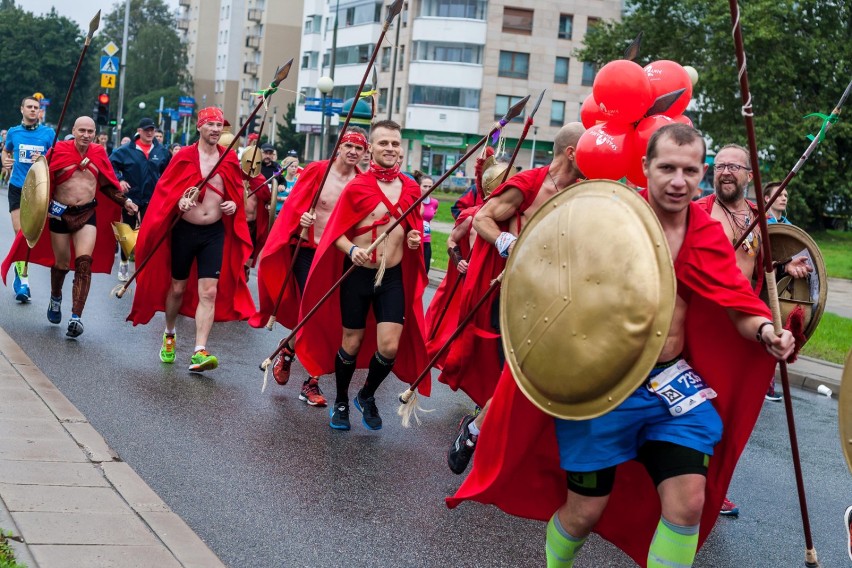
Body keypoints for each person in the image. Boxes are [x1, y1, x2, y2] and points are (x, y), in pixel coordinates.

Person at [448, 124, 796, 568]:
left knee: (688, 502)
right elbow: (550, 282)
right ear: (645, 167)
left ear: (701, 174)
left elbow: (737, 303)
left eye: (689, 171)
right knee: (583, 514)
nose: (677, 181)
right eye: (667, 167)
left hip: (670, 385)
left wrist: (767, 331)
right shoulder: (605, 217)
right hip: (599, 387)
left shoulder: (705, 233)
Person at [442, 123, 585, 474]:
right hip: (516, 294)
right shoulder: (530, 183)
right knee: (520, 375)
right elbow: (484, 219)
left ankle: (490, 433)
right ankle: (474, 431)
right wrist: (507, 243)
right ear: (571, 153)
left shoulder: (586, 192)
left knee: (539, 378)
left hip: (560, 297)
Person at [295, 119, 429, 431]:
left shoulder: (410, 188)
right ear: (371, 149)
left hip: (392, 277)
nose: (391, 149)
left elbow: (414, 230)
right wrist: (352, 250)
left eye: (395, 144)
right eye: (384, 143)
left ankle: (366, 394)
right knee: (351, 343)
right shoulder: (357, 187)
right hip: (357, 275)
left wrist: (413, 239)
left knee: (390, 346)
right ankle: (342, 400)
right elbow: (334, 233)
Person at [127, 107, 255, 372]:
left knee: (209, 291)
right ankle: (170, 333)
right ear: (200, 127)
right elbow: (166, 193)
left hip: (214, 232)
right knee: (177, 288)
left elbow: (235, 195)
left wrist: (232, 205)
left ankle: (199, 350)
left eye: (220, 126)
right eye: (211, 125)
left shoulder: (228, 159)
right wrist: (180, 202)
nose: (216, 130)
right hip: (185, 230)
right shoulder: (184, 157)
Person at [249, 127, 368, 407]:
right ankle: (310, 380)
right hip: (308, 251)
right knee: (313, 314)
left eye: (359, 148)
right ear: (338, 146)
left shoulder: (363, 182)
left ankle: (291, 355)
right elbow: (293, 205)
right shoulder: (318, 171)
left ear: (365, 153)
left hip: (340, 256)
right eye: (348, 145)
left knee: (333, 319)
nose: (352, 151)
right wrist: (300, 219)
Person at [1, 117, 137, 336]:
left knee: (84, 262)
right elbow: (41, 181)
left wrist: (125, 202)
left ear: (95, 133)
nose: (85, 134)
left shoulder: (98, 153)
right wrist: (40, 163)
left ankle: (76, 317)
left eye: (90, 131)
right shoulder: (58, 150)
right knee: (62, 264)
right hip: (59, 215)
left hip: (86, 214)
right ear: (73, 130)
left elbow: (106, 185)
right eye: (81, 130)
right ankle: (56, 297)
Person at [2, 96, 55, 302]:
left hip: (39, 190)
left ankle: (22, 272)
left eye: (36, 108)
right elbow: (6, 151)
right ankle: (23, 279)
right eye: (30, 107)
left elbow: (57, 157)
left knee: (29, 235)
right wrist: (5, 161)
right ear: (22, 109)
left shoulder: (48, 133)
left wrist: (44, 160)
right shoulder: (14, 132)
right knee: (19, 232)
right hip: (17, 187)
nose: (33, 110)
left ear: (39, 111)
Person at [109, 117, 172, 282]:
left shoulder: (162, 152)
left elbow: (170, 172)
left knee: (149, 233)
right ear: (139, 131)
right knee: (128, 232)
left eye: (152, 130)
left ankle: (144, 265)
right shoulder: (126, 150)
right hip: (132, 198)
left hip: (153, 199)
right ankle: (123, 261)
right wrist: (120, 179)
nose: (150, 133)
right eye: (147, 130)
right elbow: (111, 165)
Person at [419, 175, 438, 271]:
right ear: (419, 186)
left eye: (430, 187)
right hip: (414, 240)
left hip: (426, 240)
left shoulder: (434, 203)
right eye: (425, 186)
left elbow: (430, 218)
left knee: (425, 270)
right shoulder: (414, 201)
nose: (428, 189)